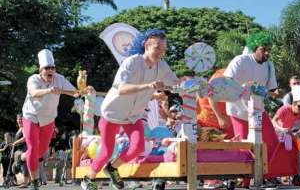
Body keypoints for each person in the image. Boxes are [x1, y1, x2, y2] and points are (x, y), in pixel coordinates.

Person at [81, 30, 178, 190]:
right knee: (106, 150)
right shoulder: (132, 62)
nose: (161, 52)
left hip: (133, 115)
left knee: (138, 147)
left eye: (164, 49)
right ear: (146, 45)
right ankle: (88, 178)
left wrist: (191, 85)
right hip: (112, 113)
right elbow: (122, 89)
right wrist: (148, 86)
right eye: (157, 47)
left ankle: (112, 168)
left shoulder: (162, 66)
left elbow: (174, 83)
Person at [222, 31, 280, 186]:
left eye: (269, 49)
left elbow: (272, 90)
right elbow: (226, 81)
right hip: (238, 109)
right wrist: (244, 87)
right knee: (244, 145)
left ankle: (264, 175)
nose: (267, 53)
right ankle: (244, 180)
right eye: (263, 49)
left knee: (273, 141)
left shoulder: (269, 65)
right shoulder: (240, 61)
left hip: (258, 110)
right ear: (255, 48)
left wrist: (275, 93)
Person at [20, 49, 78, 189]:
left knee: (42, 152)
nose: (50, 70)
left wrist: (85, 90)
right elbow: (34, 93)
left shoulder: (60, 79)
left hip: (48, 120)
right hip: (31, 116)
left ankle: (22, 157)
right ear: (41, 70)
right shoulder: (33, 79)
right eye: (47, 68)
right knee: (33, 149)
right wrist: (49, 90)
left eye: (53, 68)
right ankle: (35, 182)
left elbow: (75, 93)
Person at [272, 85, 300, 185]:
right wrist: (282, 129)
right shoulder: (284, 109)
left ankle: (296, 176)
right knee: (278, 156)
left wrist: (297, 133)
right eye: (299, 106)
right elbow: (273, 121)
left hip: (292, 134)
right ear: (293, 104)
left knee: (297, 155)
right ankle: (273, 176)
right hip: (279, 133)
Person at [197, 69, 234, 139]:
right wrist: (220, 118)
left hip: (226, 125)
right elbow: (211, 94)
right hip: (210, 123)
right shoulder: (224, 74)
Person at [12, 114, 30, 187]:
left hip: (24, 149)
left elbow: (25, 138)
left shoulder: (24, 128)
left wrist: (16, 142)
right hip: (19, 150)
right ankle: (27, 181)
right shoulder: (20, 128)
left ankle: (26, 183)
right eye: (18, 119)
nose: (19, 120)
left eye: (21, 119)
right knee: (15, 167)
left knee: (23, 164)